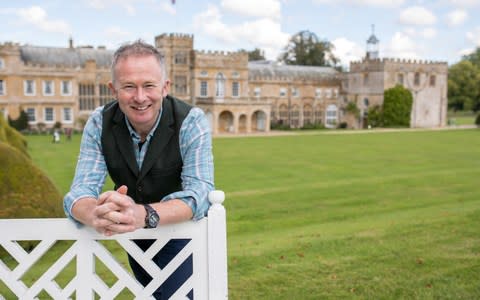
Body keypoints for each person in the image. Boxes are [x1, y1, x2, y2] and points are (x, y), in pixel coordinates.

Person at [63, 40, 214, 299]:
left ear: (165, 87)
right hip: (131, 234)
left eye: (149, 85)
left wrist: (142, 214)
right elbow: (80, 191)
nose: (140, 97)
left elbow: (200, 194)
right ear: (113, 90)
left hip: (179, 230)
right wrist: (96, 214)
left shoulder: (191, 120)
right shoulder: (100, 122)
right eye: (129, 87)